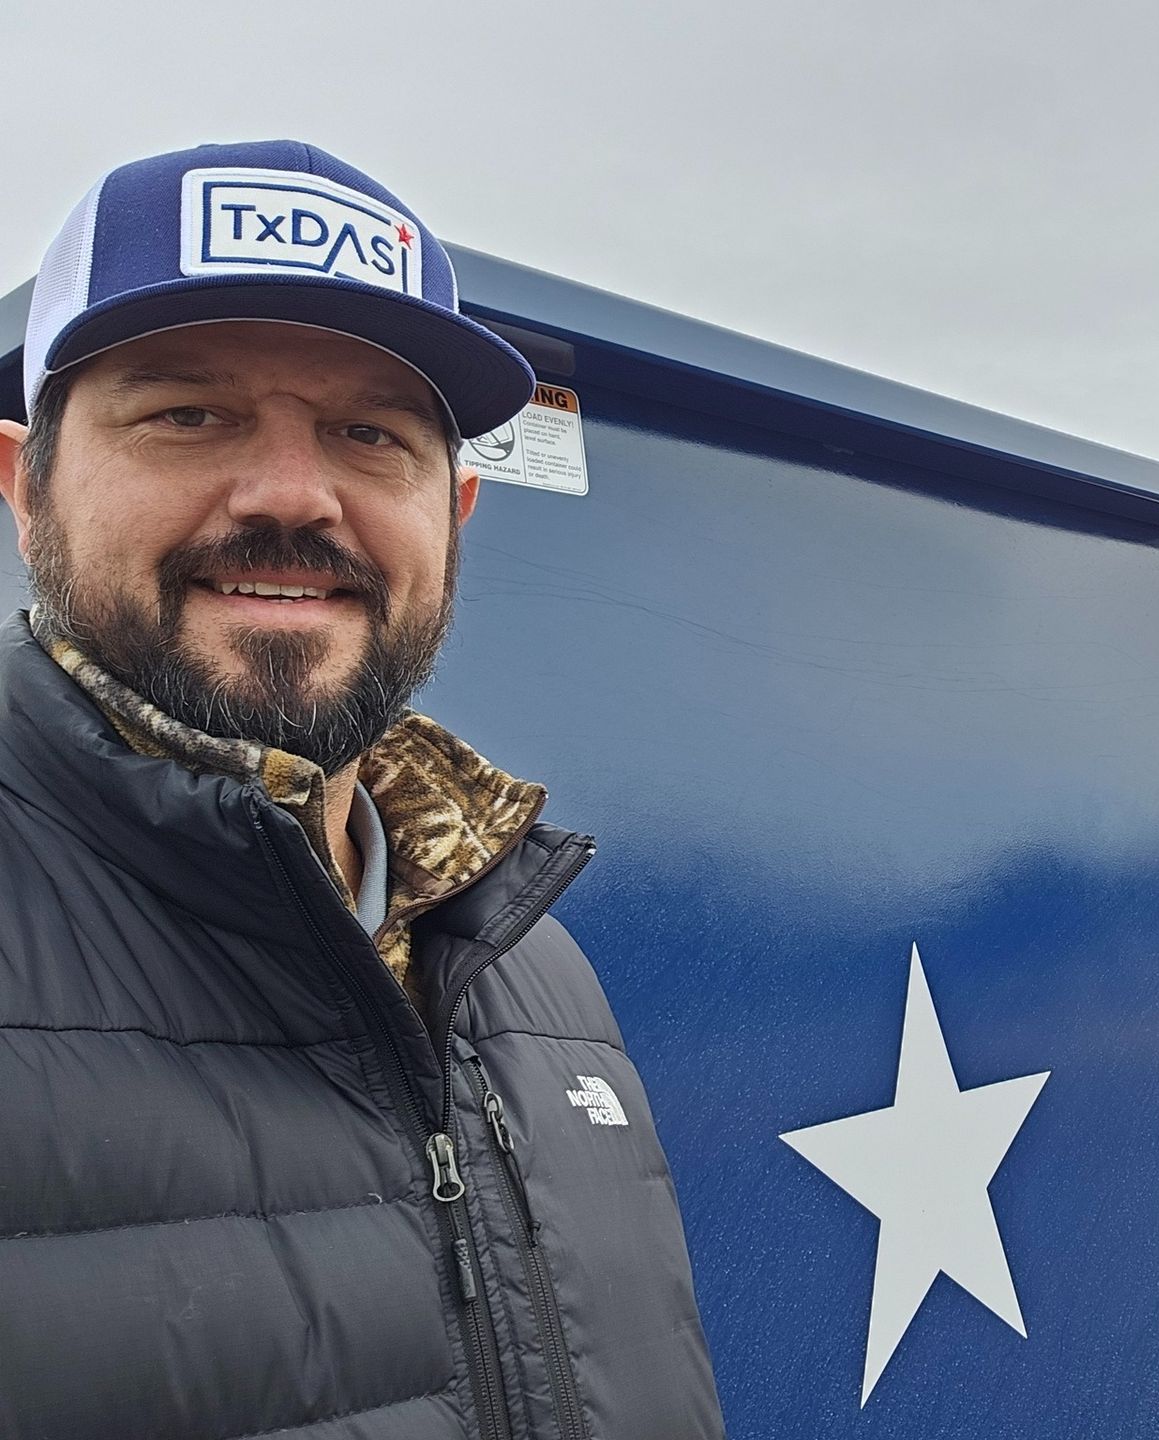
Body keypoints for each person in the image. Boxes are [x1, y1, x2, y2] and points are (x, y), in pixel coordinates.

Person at [0, 141, 725, 1440]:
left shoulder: (527, 957)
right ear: (23, 486)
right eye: (187, 414)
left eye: (368, 435)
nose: (292, 493)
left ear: (456, 513)